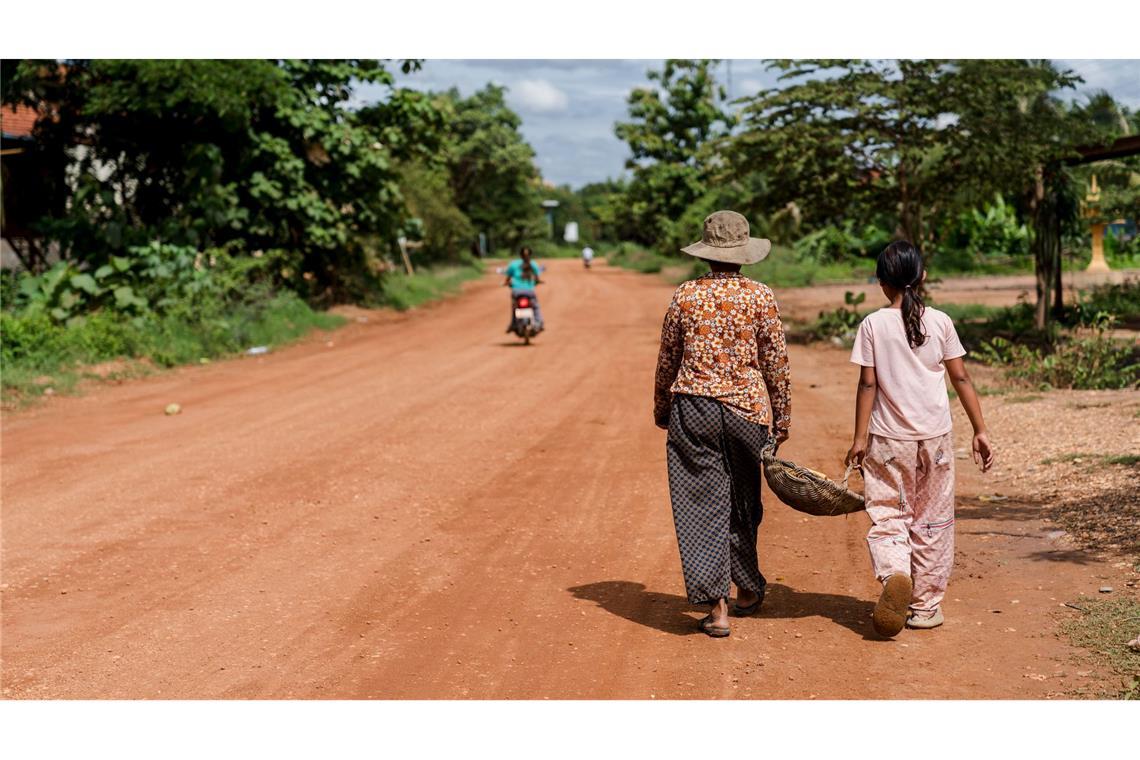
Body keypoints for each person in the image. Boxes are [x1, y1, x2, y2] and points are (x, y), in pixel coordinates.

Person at [845, 240, 995, 638]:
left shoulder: (872, 325)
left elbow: (867, 385)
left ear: (881, 282)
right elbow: (960, 377)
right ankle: (926, 606)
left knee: (889, 514)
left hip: (889, 440)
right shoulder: (941, 322)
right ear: (922, 276)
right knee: (933, 520)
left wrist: (859, 438)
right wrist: (980, 430)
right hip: (936, 439)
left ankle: (896, 572)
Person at [654, 210, 790, 638]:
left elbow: (667, 359)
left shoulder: (685, 296)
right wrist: (782, 417)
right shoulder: (760, 296)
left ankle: (718, 608)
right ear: (744, 253)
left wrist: (663, 409)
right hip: (747, 414)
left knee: (701, 506)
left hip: (692, 410)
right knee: (744, 502)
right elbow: (776, 363)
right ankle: (747, 589)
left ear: (706, 252)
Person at [503, 246, 544, 332]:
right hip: (529, 292)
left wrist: (507, 283)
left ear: (520, 255)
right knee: (535, 307)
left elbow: (508, 278)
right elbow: (537, 279)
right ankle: (538, 322)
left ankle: (513, 324)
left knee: (515, 307)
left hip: (516, 292)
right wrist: (537, 282)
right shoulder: (533, 264)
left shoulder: (514, 264)